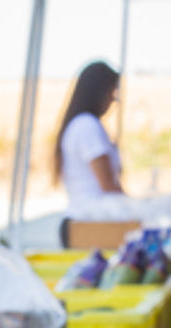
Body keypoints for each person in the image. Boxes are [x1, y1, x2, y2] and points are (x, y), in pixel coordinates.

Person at [55, 62, 124, 232]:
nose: (114, 99)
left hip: (86, 222)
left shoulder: (82, 124)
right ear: (98, 92)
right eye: (112, 92)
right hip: (89, 225)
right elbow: (108, 185)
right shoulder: (87, 126)